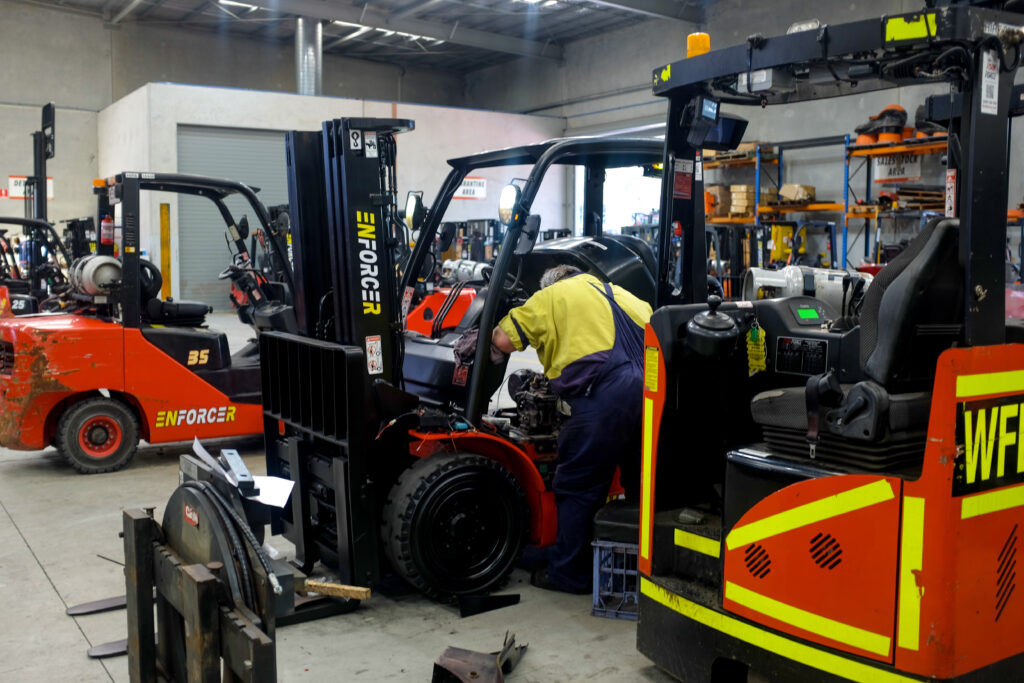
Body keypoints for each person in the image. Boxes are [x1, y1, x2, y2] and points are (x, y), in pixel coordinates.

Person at [492, 264, 652, 594]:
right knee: (640, 485)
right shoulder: (630, 298)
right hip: (651, 396)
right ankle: (636, 567)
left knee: (578, 486)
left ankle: (568, 574)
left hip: (602, 399)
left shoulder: (552, 296)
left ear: (552, 282)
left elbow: (503, 340)